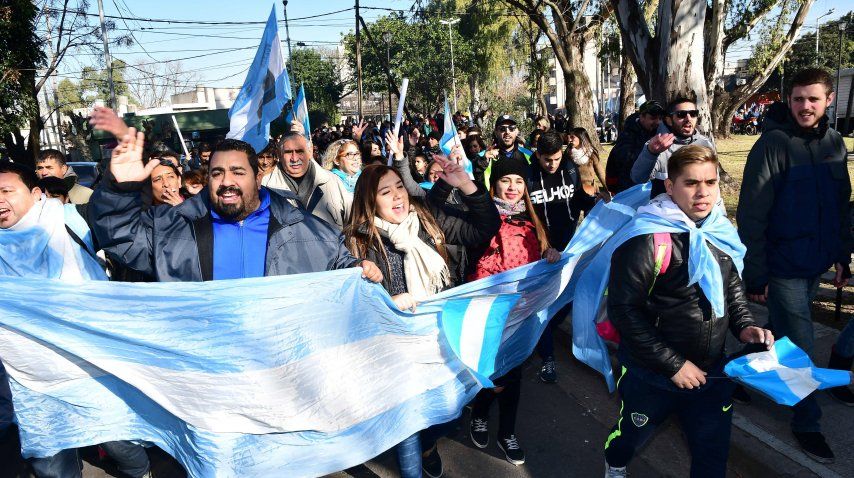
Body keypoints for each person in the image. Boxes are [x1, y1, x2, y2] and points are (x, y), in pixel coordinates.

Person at [603, 145, 773, 478]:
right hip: (651, 375)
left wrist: (745, 327)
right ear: (670, 186)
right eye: (691, 183)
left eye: (710, 182)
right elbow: (624, 311)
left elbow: (731, 290)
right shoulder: (647, 239)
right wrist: (674, 365)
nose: (702, 192)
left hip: (711, 374)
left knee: (712, 456)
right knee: (630, 437)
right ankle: (615, 460)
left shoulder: (720, 231)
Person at [344, 151, 500, 478]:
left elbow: (484, 228)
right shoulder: (357, 242)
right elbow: (351, 304)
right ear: (370, 201)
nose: (398, 196)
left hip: (441, 338)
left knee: (453, 411)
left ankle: (428, 445)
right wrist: (385, 299)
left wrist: (466, 184)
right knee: (408, 421)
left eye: (399, 187)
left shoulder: (427, 221)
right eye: (385, 192)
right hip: (395, 350)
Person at [0, 161, 151, 478]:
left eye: (6, 191)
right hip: (30, 378)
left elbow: (116, 224)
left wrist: (118, 185)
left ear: (36, 192)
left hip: (92, 363)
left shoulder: (71, 218)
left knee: (119, 441)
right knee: (52, 465)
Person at [737, 67, 852, 464]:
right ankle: (807, 422)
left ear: (828, 100)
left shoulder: (835, 142)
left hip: (817, 260)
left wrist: (842, 257)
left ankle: (733, 368)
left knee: (779, 333)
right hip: (783, 264)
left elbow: (841, 207)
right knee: (801, 343)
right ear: (789, 100)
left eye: (813, 99)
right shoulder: (772, 145)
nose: (805, 106)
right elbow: (751, 214)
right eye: (798, 98)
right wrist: (756, 273)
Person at [89, 129, 381, 284]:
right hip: (207, 374)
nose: (226, 181)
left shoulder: (304, 228)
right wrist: (119, 189)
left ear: (258, 177)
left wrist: (359, 268)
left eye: (238, 173)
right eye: (217, 173)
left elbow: (337, 266)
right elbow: (121, 237)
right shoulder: (171, 226)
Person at [467, 156, 561, 467]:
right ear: (494, 184)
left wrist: (550, 253)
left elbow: (543, 256)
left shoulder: (533, 221)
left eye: (519, 181)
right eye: (506, 180)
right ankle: (479, 414)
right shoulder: (483, 217)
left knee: (514, 371)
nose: (512, 187)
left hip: (523, 310)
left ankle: (507, 432)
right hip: (489, 309)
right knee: (491, 372)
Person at [528, 130, 597, 383]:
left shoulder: (569, 168)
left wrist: (594, 203)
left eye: (556, 158)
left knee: (567, 299)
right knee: (543, 305)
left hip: (569, 249)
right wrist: (544, 247)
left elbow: (576, 198)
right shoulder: (528, 176)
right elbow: (526, 217)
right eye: (547, 159)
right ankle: (547, 357)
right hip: (541, 253)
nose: (552, 164)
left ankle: (539, 333)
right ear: (537, 155)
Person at [261, 132, 353, 230]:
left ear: (310, 151)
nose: (294, 158)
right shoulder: (265, 186)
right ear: (279, 154)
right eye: (288, 152)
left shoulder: (333, 182)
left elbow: (351, 225)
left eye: (300, 151)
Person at [630, 97, 715, 198]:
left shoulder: (705, 144)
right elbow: (638, 178)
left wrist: (719, 212)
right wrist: (651, 153)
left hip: (700, 209)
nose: (688, 119)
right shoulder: (657, 145)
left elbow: (714, 183)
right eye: (681, 115)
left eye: (693, 114)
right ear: (669, 120)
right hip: (666, 211)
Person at [606, 100, 664, 194]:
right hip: (630, 189)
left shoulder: (660, 132)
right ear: (641, 117)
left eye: (660, 118)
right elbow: (620, 161)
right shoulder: (628, 136)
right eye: (653, 118)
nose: (657, 122)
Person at [474, 115, 532, 186]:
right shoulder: (483, 156)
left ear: (517, 131)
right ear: (496, 132)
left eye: (511, 128)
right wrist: (482, 162)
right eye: (502, 129)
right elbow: (476, 182)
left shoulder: (529, 155)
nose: (507, 132)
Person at [567, 127, 610, 200]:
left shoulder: (591, 154)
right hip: (573, 191)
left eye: (572, 137)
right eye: (569, 136)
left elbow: (601, 173)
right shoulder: (568, 153)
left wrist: (608, 189)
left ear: (581, 138)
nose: (569, 139)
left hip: (590, 190)